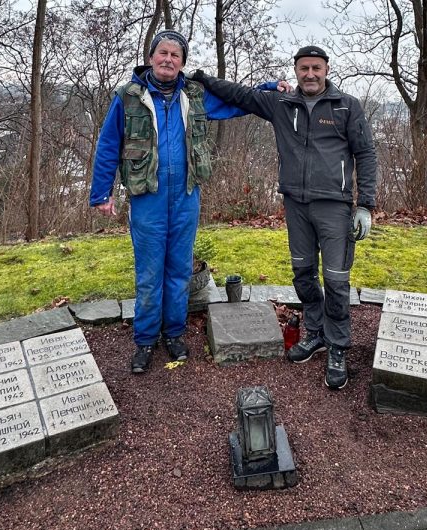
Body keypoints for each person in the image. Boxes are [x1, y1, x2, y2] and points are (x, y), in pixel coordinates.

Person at [89, 30, 287, 374]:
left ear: (182, 62)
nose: (168, 59)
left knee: (180, 270)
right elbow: (109, 144)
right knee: (150, 273)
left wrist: (268, 89)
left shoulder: (194, 95)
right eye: (162, 53)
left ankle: (175, 333)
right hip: (147, 197)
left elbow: (236, 102)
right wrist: (101, 192)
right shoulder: (128, 96)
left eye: (175, 55)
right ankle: (146, 339)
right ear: (151, 57)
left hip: (186, 196)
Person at [190, 45, 377, 390]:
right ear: (296, 71)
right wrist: (204, 79)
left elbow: (365, 153)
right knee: (303, 274)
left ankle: (337, 347)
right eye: (304, 68)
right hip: (296, 204)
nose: (310, 74)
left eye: (316, 68)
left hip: (334, 206)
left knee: (336, 281)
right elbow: (241, 95)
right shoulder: (281, 104)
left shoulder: (346, 106)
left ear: (326, 70)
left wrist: (365, 204)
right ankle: (316, 333)